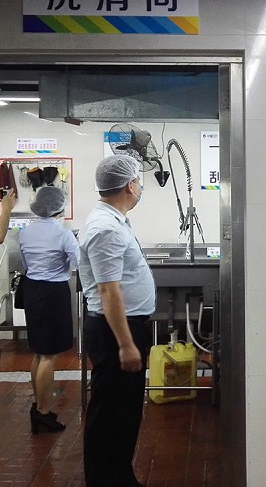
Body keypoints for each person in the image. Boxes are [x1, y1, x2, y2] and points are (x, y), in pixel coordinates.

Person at [79, 154, 156, 487]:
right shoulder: (106, 228)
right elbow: (108, 290)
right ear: (129, 185)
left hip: (123, 327)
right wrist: (126, 345)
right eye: (138, 180)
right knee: (110, 413)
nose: (140, 186)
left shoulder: (115, 221)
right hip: (115, 332)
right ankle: (104, 480)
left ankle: (120, 476)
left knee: (124, 412)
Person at [18, 186, 79, 434]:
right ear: (60, 207)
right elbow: (79, 262)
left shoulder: (25, 232)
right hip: (53, 294)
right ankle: (43, 413)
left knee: (38, 352)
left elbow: (25, 263)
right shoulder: (63, 235)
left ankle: (38, 405)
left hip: (32, 290)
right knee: (48, 356)